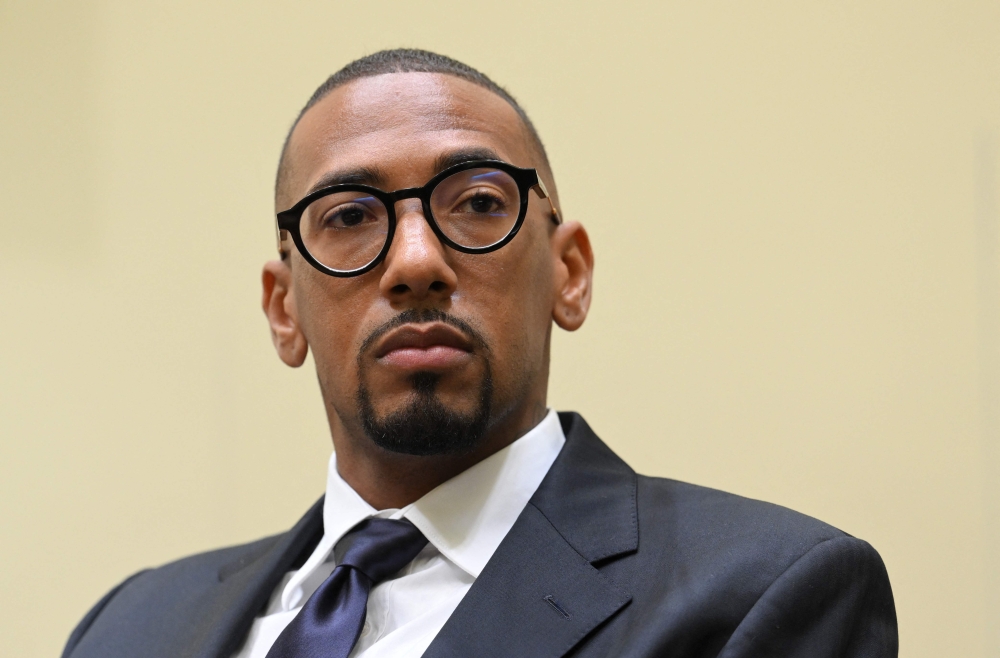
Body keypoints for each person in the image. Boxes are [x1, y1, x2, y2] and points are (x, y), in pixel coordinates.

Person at [61, 49, 898, 658]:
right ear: (286, 310)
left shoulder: (763, 595)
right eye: (350, 216)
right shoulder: (127, 628)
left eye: (478, 202)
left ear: (567, 275)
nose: (417, 262)